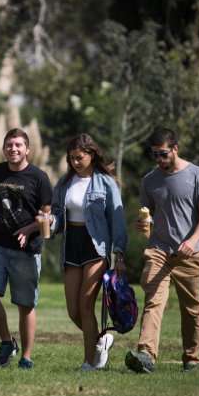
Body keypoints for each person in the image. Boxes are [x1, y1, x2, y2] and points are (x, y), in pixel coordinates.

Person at [123, 127, 199, 374]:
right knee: (153, 300)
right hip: (159, 249)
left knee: (191, 308)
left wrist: (193, 240)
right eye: (154, 154)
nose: (159, 159)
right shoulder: (149, 180)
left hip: (190, 252)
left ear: (175, 149)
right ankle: (145, 356)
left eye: (163, 154)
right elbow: (149, 215)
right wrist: (143, 223)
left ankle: (191, 359)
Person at [0, 128, 53, 370]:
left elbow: (46, 217)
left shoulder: (39, 178)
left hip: (27, 251)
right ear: (4, 148)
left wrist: (29, 229)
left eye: (18, 145)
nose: (13, 149)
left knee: (25, 305)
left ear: (28, 149)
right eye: (9, 144)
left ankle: (26, 357)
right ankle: (7, 342)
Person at [50, 133, 127, 372]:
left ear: (92, 155)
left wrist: (119, 254)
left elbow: (117, 220)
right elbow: (57, 216)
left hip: (95, 247)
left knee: (85, 305)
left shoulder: (106, 183)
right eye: (71, 158)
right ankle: (102, 341)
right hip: (71, 247)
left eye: (79, 157)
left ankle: (88, 362)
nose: (75, 162)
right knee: (73, 311)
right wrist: (49, 222)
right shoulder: (64, 183)